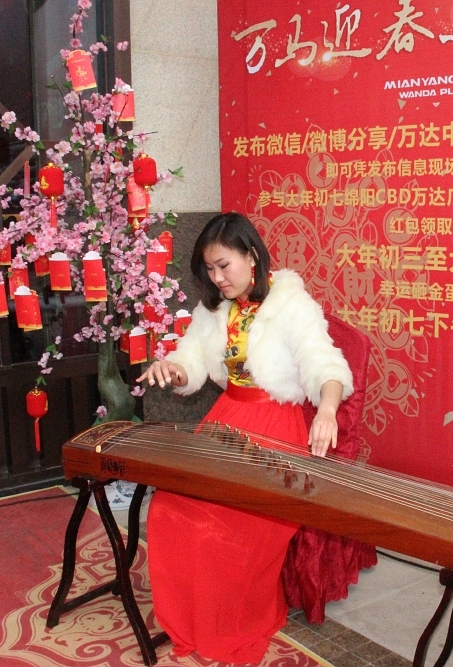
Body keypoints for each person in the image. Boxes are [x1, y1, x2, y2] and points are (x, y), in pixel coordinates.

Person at [137, 212, 354, 664]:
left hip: (275, 427)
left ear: (251, 256)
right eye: (209, 269)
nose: (217, 278)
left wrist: (327, 409)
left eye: (224, 266)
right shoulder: (214, 308)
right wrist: (173, 369)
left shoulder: (289, 303)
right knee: (170, 509)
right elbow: (192, 361)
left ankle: (236, 619)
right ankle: (195, 619)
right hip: (225, 421)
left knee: (228, 527)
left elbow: (325, 364)